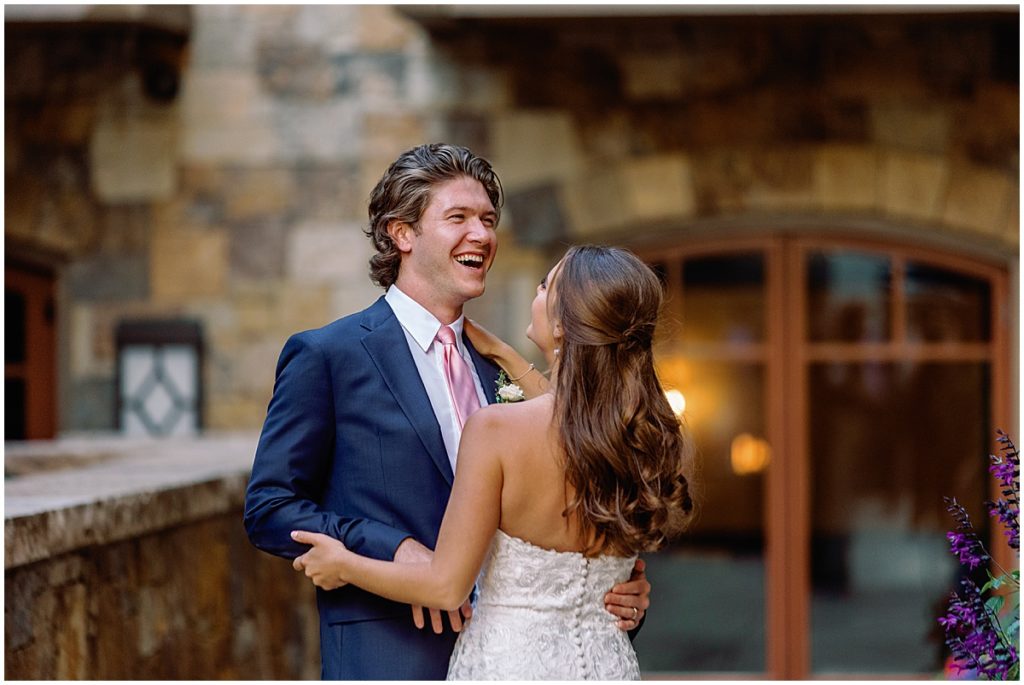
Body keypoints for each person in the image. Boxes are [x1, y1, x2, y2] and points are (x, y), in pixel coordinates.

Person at [243, 144, 652, 680]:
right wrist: (393, 547)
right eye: (457, 218)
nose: (481, 235)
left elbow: (581, 505)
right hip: (391, 656)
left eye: (487, 220)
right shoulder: (328, 356)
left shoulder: (505, 374)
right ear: (402, 234)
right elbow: (270, 508)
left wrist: (619, 587)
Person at [291, 245, 694, 680]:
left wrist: (343, 565)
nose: (536, 294)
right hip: (606, 666)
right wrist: (504, 353)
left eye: (545, 286)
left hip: (509, 665)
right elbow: (574, 418)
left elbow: (446, 588)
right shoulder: (641, 437)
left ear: (562, 324)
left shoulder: (496, 430)